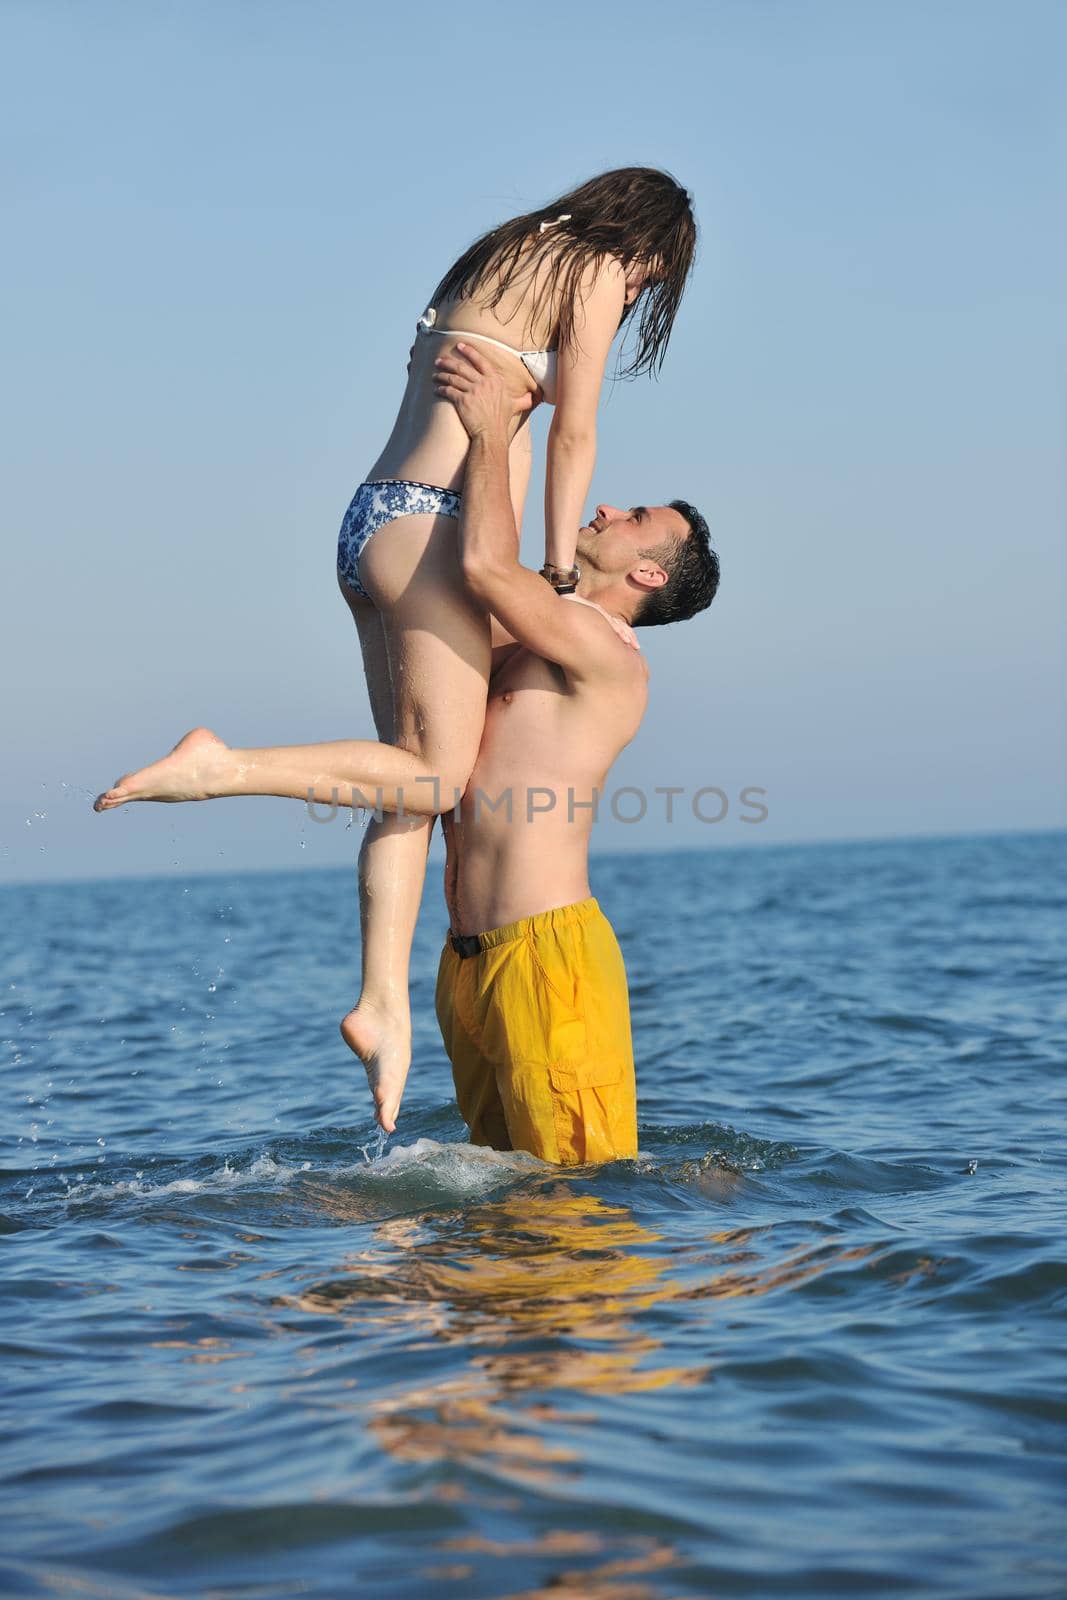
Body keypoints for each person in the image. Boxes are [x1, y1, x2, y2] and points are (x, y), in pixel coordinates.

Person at [93, 343, 720, 1154]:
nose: (603, 509)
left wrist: (491, 431)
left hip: (549, 959)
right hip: (466, 963)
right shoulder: (530, 636)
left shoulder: (609, 658)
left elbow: (487, 564)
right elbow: (443, 596)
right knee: (495, 1206)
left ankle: (222, 770)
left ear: (646, 577)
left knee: (577, 1207)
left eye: (632, 520)